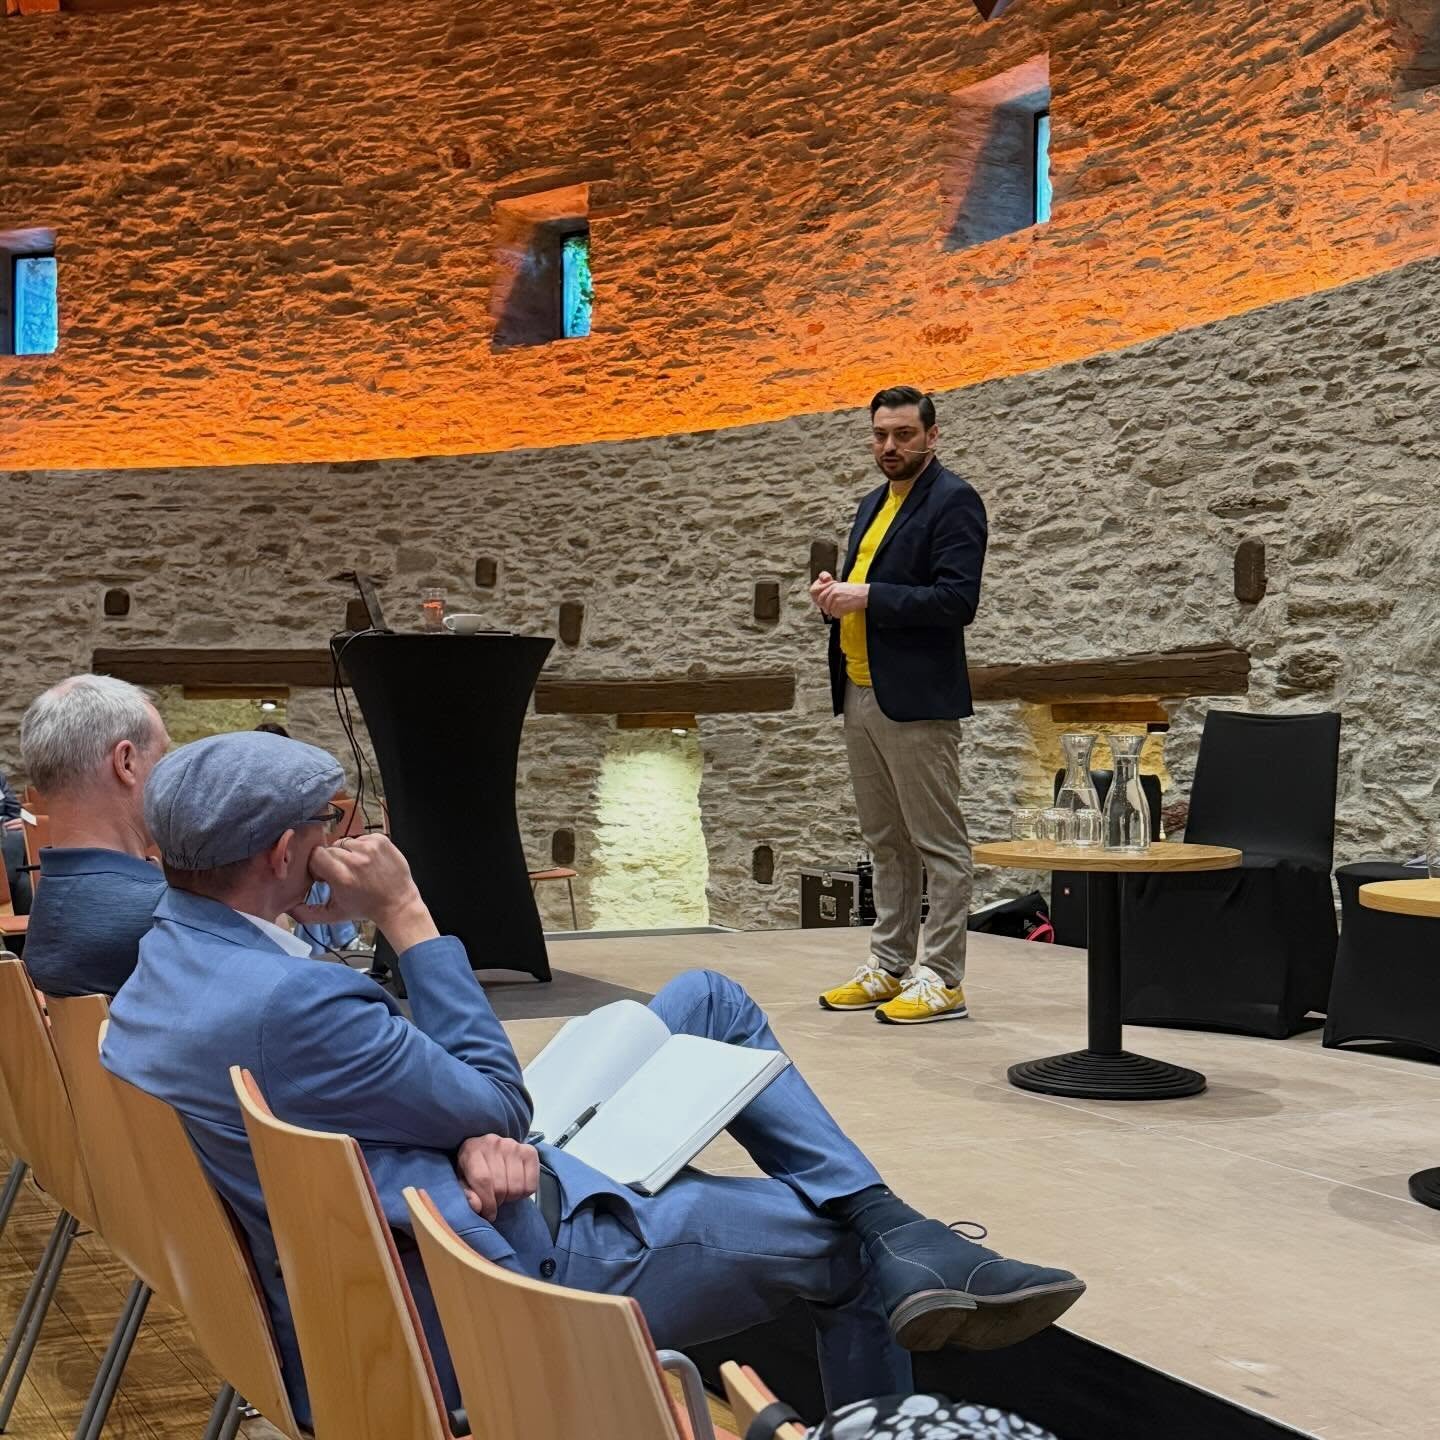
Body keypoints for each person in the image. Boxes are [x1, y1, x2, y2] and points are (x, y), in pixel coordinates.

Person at [102, 732, 1083, 1428]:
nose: (349, 837)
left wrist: (461, 1132)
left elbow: (395, 1100)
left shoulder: (164, 966)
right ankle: (886, 1247)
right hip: (503, 1276)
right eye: (333, 822)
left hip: (421, 1216)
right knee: (842, 1250)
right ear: (286, 851)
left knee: (707, 996)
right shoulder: (295, 1003)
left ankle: (892, 1221)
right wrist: (405, 914)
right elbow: (496, 1098)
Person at [811, 386, 987, 1025]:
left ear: (932, 436)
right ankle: (889, 966)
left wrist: (867, 596)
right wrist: (834, 595)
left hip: (916, 699)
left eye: (904, 434)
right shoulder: (871, 503)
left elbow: (956, 601)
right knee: (885, 842)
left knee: (938, 844)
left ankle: (942, 978)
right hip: (860, 689)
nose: (890, 446)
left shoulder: (954, 500)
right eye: (881, 434)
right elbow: (869, 589)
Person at [16, 675, 171, 996]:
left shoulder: (51, 900)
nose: (170, 774)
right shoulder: (165, 916)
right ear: (126, 762)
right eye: (163, 756)